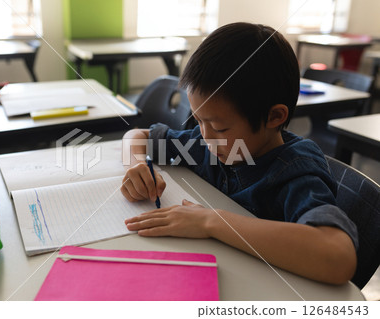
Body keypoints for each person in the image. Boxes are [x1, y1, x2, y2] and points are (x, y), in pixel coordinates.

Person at [120, 22, 358, 284]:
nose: (206, 137)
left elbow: (338, 257)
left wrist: (211, 221)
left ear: (274, 116)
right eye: (199, 120)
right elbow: (138, 136)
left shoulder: (295, 171)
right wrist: (136, 164)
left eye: (220, 127)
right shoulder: (207, 144)